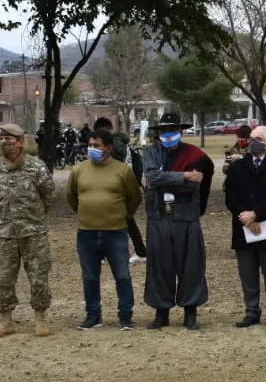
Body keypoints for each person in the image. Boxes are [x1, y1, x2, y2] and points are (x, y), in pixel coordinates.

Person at [0, 123, 56, 338]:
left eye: (9, 139)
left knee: (39, 277)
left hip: (34, 234)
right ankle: (6, 321)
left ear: (21, 142)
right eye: (1, 139)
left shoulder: (36, 167)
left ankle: (40, 320)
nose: (5, 143)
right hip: (5, 234)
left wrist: (33, 216)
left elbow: (49, 195)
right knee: (4, 279)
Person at [143, 113, 215, 331]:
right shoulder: (150, 152)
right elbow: (152, 177)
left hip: (186, 217)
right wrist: (183, 176)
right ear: (158, 133)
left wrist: (162, 180)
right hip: (158, 216)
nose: (168, 135)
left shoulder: (195, 155)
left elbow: (195, 185)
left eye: (172, 130)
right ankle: (161, 312)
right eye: (164, 131)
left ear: (180, 132)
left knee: (191, 265)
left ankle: (190, 312)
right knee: (159, 265)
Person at [67, 128, 142, 330]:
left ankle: (125, 316)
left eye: (96, 146)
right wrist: (87, 212)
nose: (92, 149)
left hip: (115, 231)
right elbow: (72, 197)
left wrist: (121, 216)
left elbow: (134, 197)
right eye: (90, 145)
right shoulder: (78, 170)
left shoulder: (122, 171)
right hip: (87, 232)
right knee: (90, 277)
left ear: (108, 148)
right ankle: (93, 316)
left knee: (122, 275)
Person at [225, 125, 266, 328]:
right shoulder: (238, 167)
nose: (254, 142)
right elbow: (230, 196)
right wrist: (244, 215)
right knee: (247, 274)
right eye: (252, 138)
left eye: (259, 139)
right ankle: (251, 311)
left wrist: (256, 214)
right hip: (243, 227)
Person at [93, 117, 147, 263]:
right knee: (126, 219)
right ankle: (141, 251)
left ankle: (105, 253)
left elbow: (110, 164)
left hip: (117, 185)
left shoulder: (114, 143)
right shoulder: (120, 142)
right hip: (122, 184)